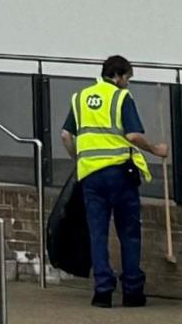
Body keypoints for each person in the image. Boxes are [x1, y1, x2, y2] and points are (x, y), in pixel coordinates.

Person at [61, 55, 168, 308]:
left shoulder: (80, 98)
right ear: (118, 76)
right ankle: (132, 291)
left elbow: (66, 135)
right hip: (120, 174)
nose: (128, 84)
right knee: (129, 233)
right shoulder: (121, 98)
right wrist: (155, 149)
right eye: (127, 79)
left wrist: (80, 158)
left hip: (90, 177)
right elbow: (132, 135)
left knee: (97, 233)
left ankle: (102, 292)